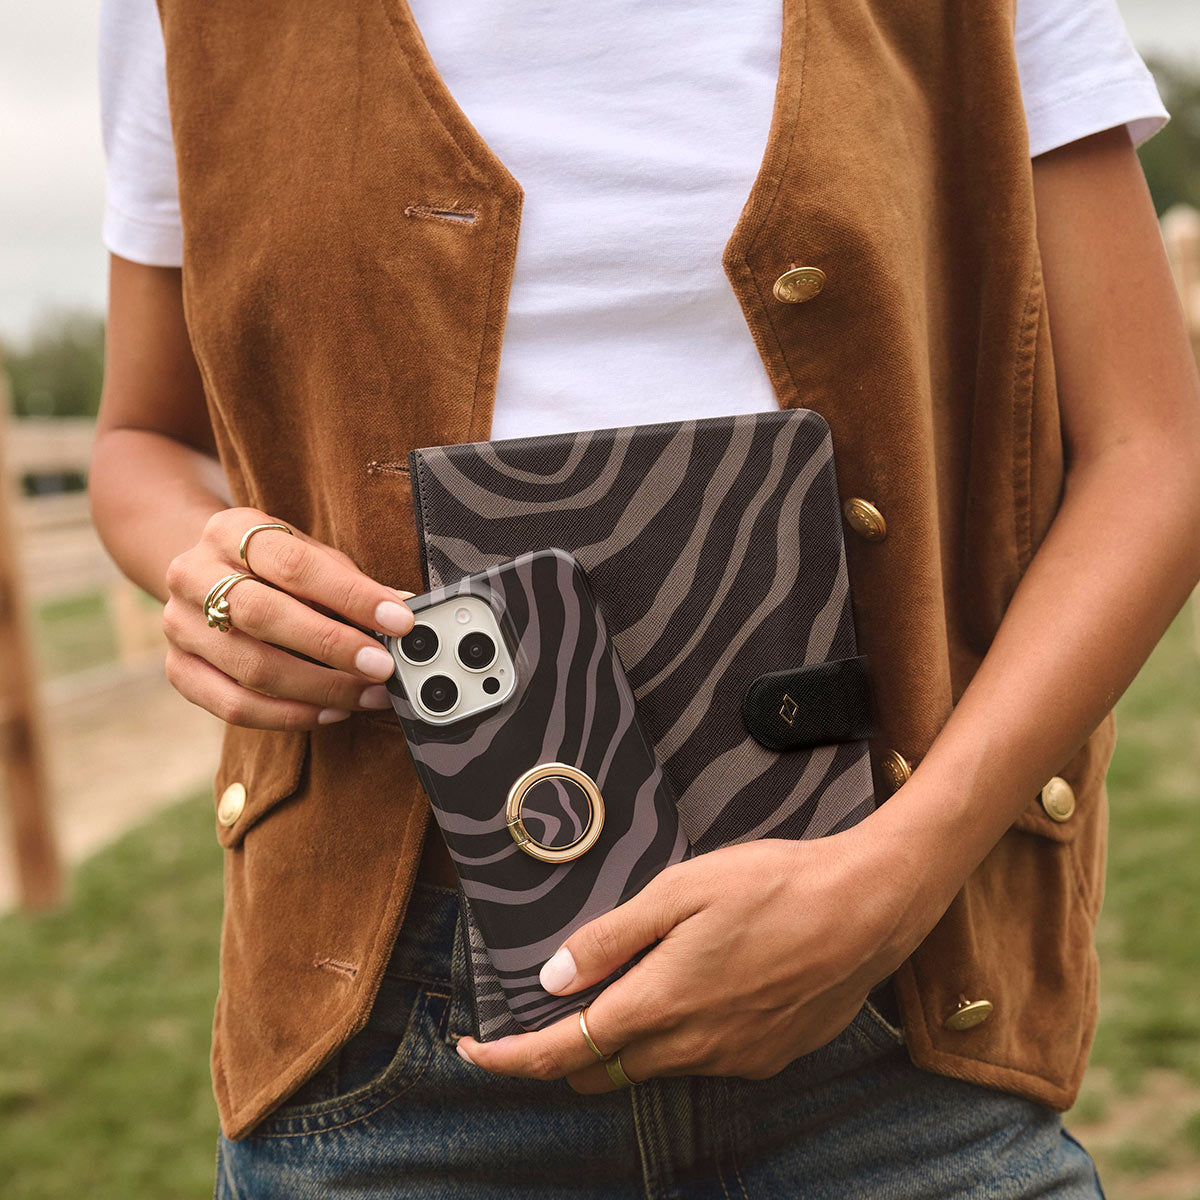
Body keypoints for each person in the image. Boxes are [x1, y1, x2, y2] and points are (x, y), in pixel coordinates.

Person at [92, 0, 1199, 1195]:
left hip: (895, 1000)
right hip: (386, 1037)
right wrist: (217, 575)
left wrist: (899, 878)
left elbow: (1152, 448)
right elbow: (141, 438)